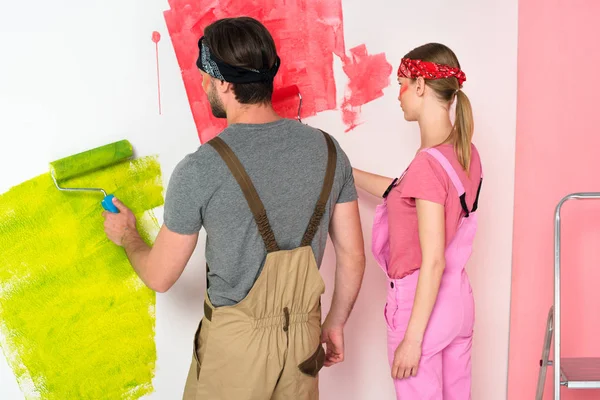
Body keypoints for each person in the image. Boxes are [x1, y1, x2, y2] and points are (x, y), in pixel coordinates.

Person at [102, 16, 365, 400]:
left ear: (224, 82)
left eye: (205, 77)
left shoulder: (201, 169)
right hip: (303, 349)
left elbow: (160, 277)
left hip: (235, 356)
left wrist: (128, 236)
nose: (203, 84)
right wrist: (335, 323)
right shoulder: (329, 151)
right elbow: (353, 255)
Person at [352, 43, 483, 399]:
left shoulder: (428, 164)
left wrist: (412, 339)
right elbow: (403, 192)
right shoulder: (463, 151)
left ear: (421, 85)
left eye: (402, 83)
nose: (399, 95)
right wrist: (345, 173)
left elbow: (434, 259)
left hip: (420, 307)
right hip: (458, 303)